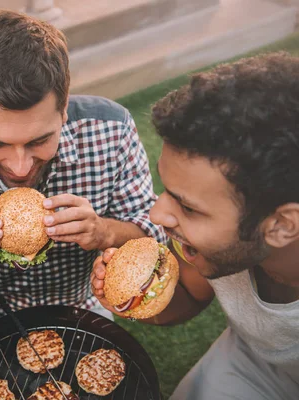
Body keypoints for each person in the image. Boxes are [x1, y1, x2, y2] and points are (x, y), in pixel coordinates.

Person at [0, 10, 165, 329]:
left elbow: (155, 231)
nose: (20, 167)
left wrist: (104, 231)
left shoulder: (111, 131)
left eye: (40, 140)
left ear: (64, 106)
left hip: (83, 305)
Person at [91, 52, 299, 399]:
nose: (157, 215)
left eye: (187, 206)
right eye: (168, 192)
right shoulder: (220, 248)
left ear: (280, 225)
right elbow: (186, 293)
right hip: (252, 358)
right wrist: (133, 300)